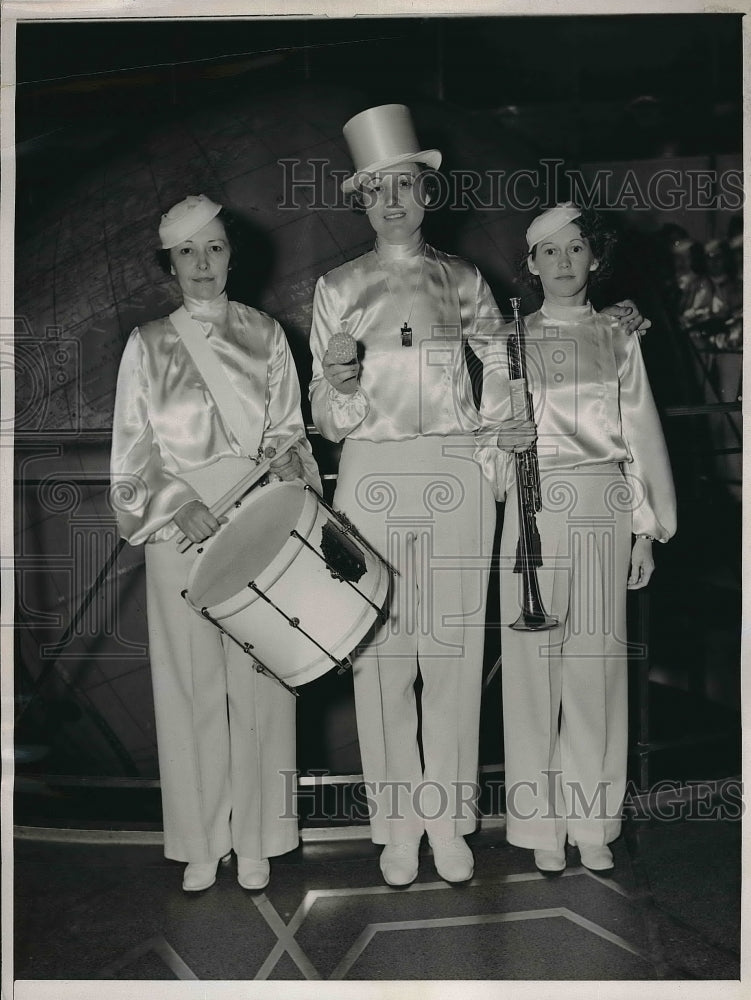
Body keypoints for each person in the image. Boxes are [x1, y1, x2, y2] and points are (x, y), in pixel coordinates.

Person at [309, 106, 650, 888]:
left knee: (455, 657)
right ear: (359, 201)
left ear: (427, 193)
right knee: (382, 657)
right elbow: (325, 417)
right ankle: (396, 828)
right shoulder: (337, 287)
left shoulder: (463, 279)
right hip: (370, 475)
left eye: (404, 185)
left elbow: (504, 365)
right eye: (375, 190)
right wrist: (337, 382)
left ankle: (448, 821)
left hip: (459, 476)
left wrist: (505, 431)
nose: (391, 201)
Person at [110, 194, 320, 892]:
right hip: (182, 527)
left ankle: (260, 838)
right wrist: (175, 504)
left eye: (216, 248)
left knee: (261, 681)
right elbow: (131, 457)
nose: (203, 264)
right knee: (191, 685)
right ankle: (203, 840)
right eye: (188, 252)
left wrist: (289, 465)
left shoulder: (267, 334)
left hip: (258, 520)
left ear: (234, 254)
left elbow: (290, 430)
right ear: (169, 262)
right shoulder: (147, 344)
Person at [473, 203, 676, 876]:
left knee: (595, 671)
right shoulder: (508, 341)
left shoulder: (618, 334)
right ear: (530, 266)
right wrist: (503, 442)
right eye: (548, 253)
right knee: (533, 676)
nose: (563, 264)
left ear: (594, 258)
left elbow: (640, 432)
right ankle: (538, 824)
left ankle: (593, 820)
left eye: (575, 249)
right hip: (532, 514)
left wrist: (644, 531)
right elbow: (485, 449)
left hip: (603, 504)